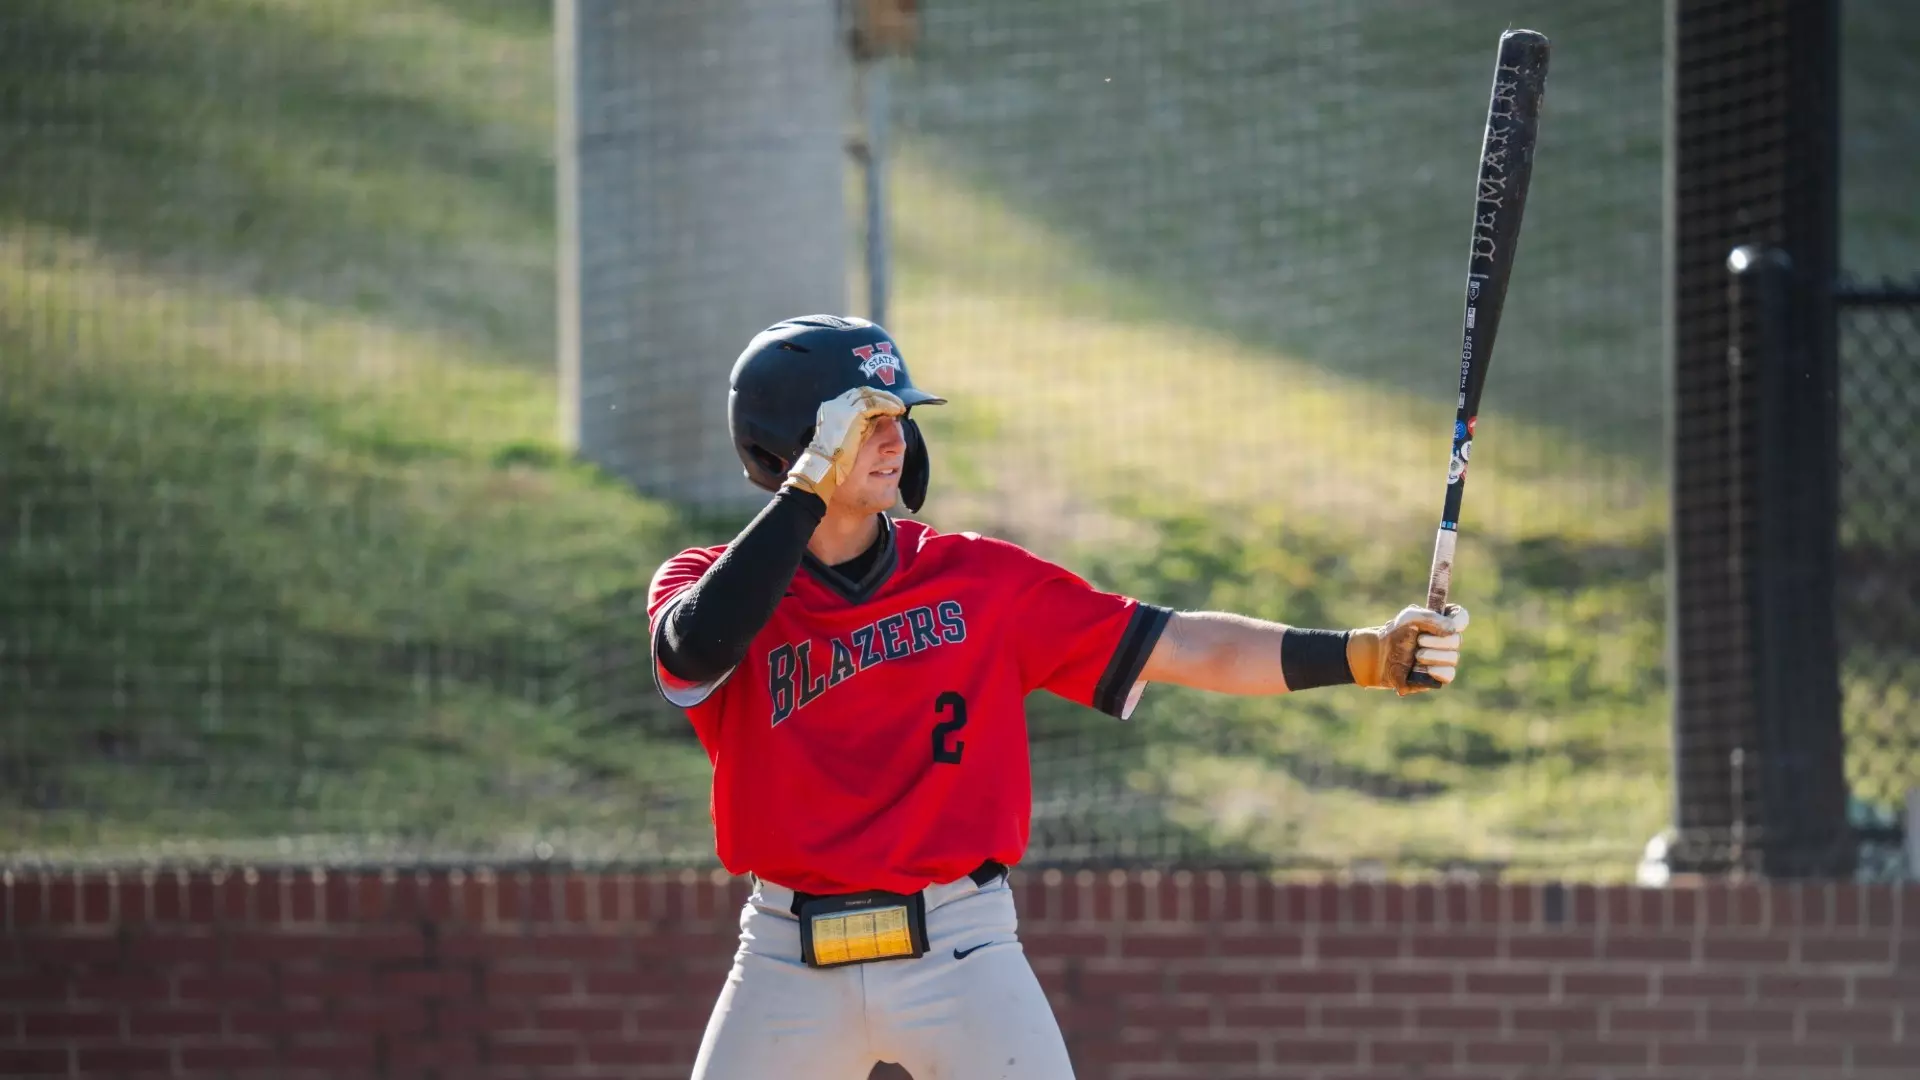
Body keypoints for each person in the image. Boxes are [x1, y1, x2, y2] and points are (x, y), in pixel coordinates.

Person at [647, 314, 1470, 1080]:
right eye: (866, 421)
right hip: (787, 954)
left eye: (900, 415)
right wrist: (805, 491)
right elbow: (694, 656)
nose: (896, 438)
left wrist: (1364, 656)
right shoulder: (699, 585)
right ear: (791, 442)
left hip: (962, 949)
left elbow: (1185, 643)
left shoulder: (980, 578)